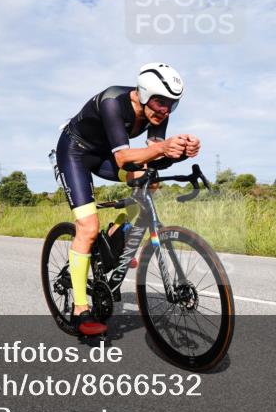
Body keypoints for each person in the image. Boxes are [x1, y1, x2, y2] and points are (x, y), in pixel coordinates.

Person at [53, 63, 200, 336]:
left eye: (172, 105)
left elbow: (154, 155)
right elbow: (123, 158)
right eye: (160, 102)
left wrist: (181, 151)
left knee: (149, 180)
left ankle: (119, 231)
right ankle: (79, 310)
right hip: (76, 153)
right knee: (87, 227)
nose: (165, 110)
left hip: (105, 155)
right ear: (143, 94)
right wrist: (165, 149)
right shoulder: (113, 102)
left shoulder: (159, 112)